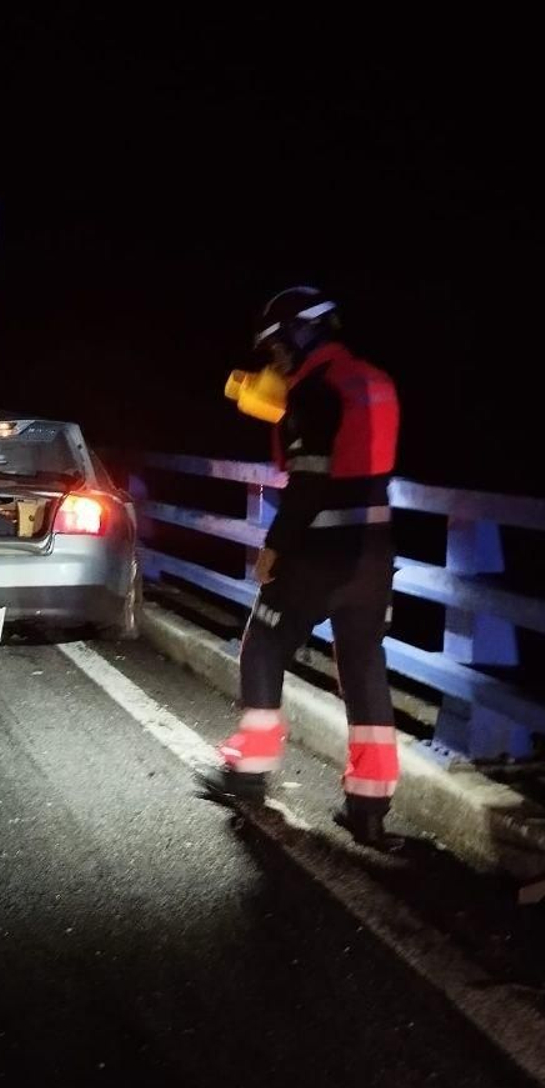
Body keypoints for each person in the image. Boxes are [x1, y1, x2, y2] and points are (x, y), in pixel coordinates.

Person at [213, 287, 403, 850]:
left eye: (275, 347)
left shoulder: (314, 393)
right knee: (365, 667)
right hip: (373, 553)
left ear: (300, 332)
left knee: (264, 645)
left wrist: (273, 548)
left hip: (319, 552)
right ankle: (369, 807)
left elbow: (310, 481)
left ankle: (250, 769)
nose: (273, 360)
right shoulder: (373, 381)